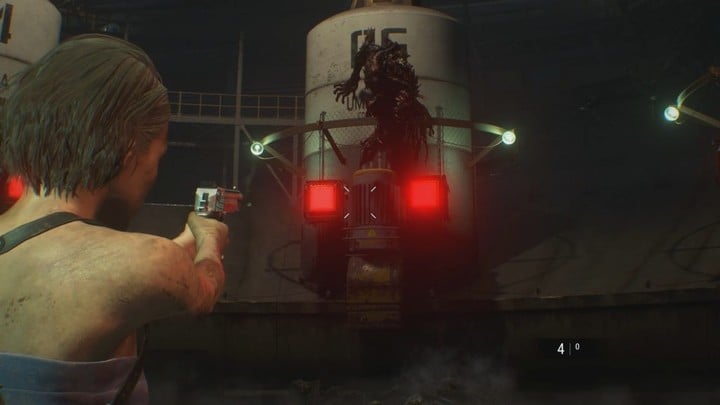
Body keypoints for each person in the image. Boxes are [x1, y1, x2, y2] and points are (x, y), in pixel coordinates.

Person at [0, 34, 228, 404]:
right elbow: (203, 290)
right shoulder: (149, 261)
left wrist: (188, 236)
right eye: (157, 155)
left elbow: (112, 268)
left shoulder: (139, 263)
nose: (154, 172)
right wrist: (209, 237)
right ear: (128, 148)